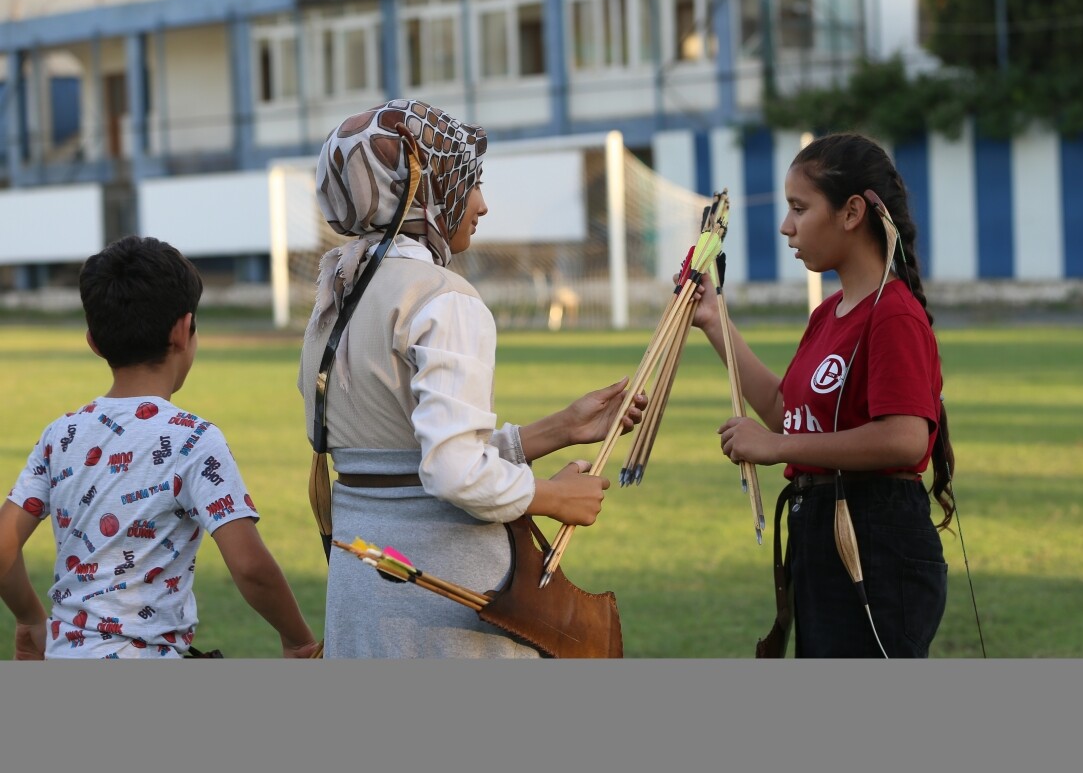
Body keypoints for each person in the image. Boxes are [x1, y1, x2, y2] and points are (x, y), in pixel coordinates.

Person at [298, 99, 645, 658]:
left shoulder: (337, 293)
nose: (480, 203)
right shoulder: (442, 298)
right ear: (422, 194)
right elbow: (454, 473)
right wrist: (553, 495)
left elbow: (401, 459)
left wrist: (560, 427)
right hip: (441, 605)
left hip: (363, 590)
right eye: (466, 182)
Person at [690, 132, 955, 658]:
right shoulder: (827, 314)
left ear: (852, 211)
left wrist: (777, 447)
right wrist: (713, 320)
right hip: (823, 531)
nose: (787, 225)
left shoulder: (893, 314)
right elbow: (790, 412)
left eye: (799, 208)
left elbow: (904, 439)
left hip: (876, 537)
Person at [0, 235, 320, 659]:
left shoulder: (60, 435)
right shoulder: (194, 439)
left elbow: (3, 545)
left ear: (93, 340)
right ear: (184, 330)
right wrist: (297, 639)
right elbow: (250, 567)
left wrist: (29, 619)